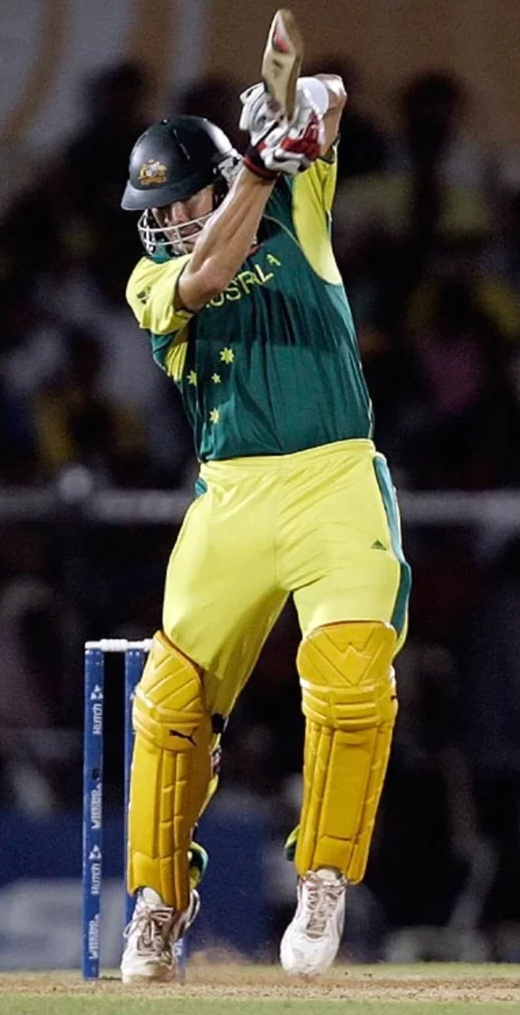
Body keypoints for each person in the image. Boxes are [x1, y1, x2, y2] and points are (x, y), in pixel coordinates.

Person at [118, 72, 411, 982]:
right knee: (170, 703)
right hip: (232, 495)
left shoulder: (298, 204)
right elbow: (204, 273)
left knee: (351, 680)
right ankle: (161, 902)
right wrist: (252, 166)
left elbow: (327, 91)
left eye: (175, 201)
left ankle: (322, 876)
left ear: (206, 184)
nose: (163, 222)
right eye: (154, 208)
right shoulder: (153, 279)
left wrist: (293, 124)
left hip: (335, 479)